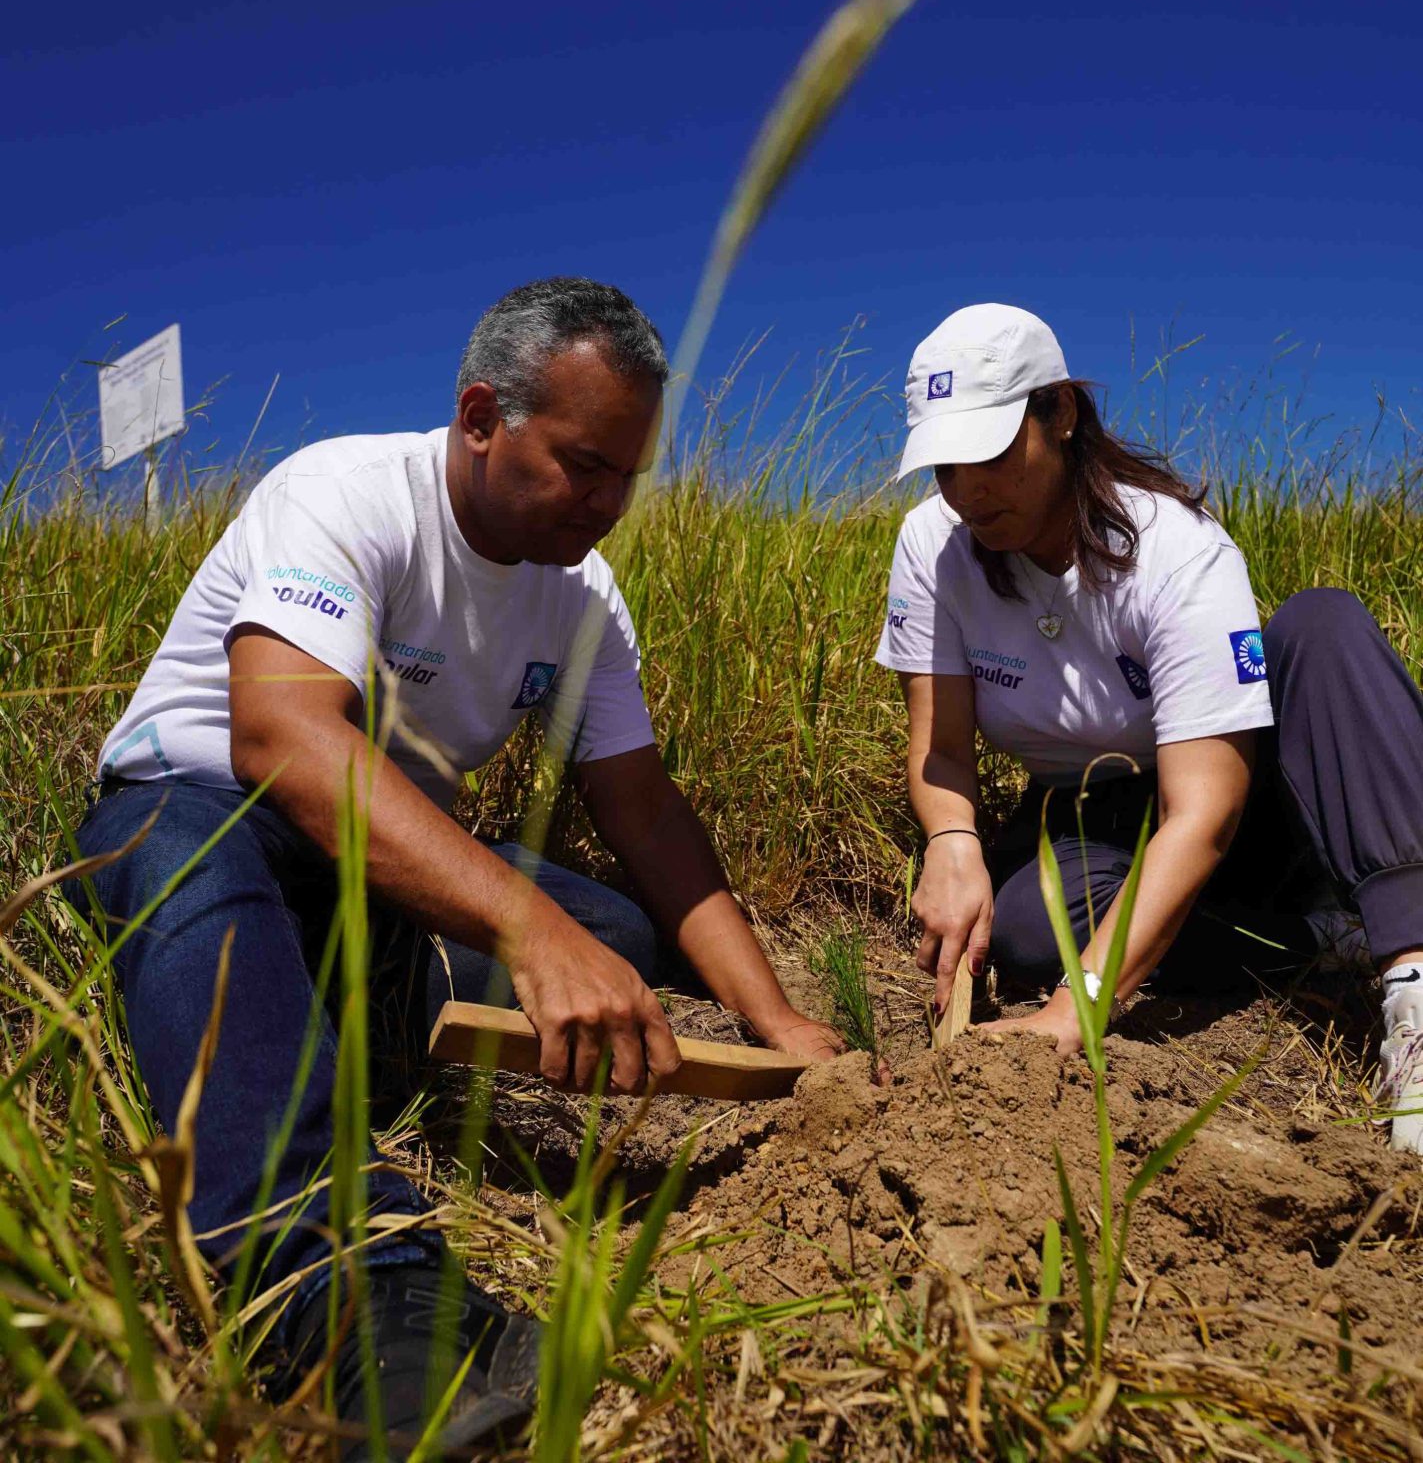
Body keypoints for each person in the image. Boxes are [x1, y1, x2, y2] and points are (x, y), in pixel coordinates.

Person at [67, 277, 842, 1457]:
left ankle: (366, 1006)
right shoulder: (343, 495)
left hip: (371, 873)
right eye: (584, 464)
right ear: (481, 415)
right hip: (202, 808)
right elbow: (283, 743)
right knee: (197, 856)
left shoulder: (583, 595)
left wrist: (777, 1016)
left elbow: (643, 812)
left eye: (630, 475)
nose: (609, 503)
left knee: (623, 934)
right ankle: (343, 1289)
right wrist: (530, 934)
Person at [875, 302, 1423, 1153]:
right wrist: (951, 841)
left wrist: (1078, 1009)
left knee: (1322, 624)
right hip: (1093, 816)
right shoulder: (931, 545)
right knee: (1028, 931)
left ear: (1058, 413)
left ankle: (1410, 972)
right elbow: (940, 749)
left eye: (985, 451)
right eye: (942, 464)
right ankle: (1316, 941)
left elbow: (1202, 810)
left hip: (1242, 797)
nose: (966, 489)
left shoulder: (1174, 548)